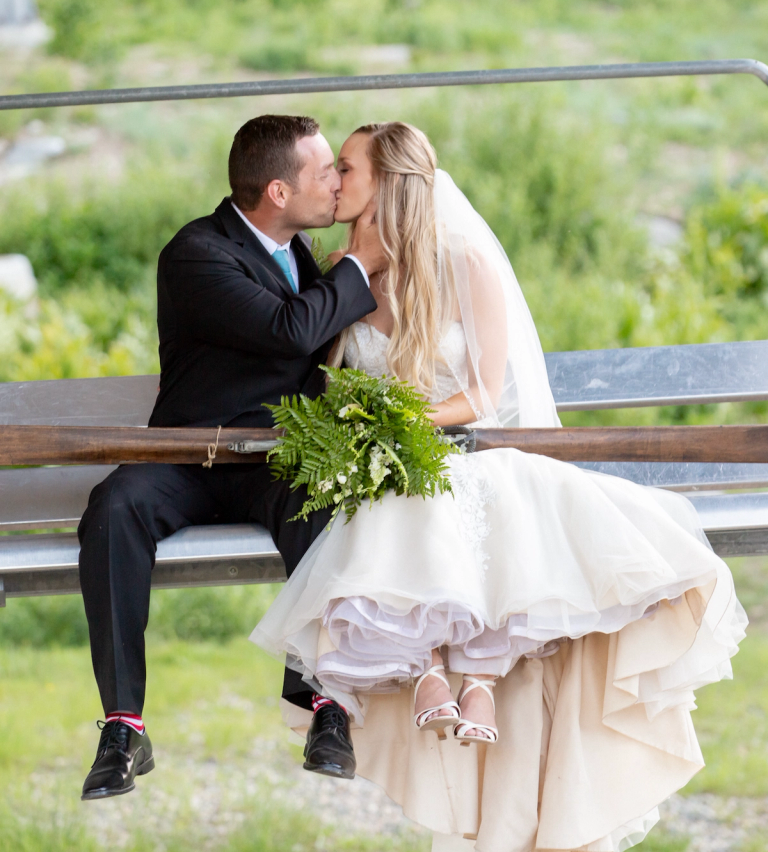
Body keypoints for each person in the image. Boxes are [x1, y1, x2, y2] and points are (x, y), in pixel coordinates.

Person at [251, 122, 748, 852]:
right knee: (407, 513)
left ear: (386, 181)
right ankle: (439, 678)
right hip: (396, 465)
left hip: (464, 448)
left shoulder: (466, 263)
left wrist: (404, 422)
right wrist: (361, 428)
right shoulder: (343, 269)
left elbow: (482, 393)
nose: (333, 181)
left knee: (469, 512)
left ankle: (479, 693)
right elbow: (325, 379)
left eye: (346, 168)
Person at [77, 114, 384, 800]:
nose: (336, 181)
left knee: (321, 501)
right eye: (324, 170)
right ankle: (123, 725)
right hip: (190, 456)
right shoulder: (196, 253)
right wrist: (363, 267)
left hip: (274, 463)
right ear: (278, 191)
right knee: (113, 506)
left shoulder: (302, 251)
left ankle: (325, 706)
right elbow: (289, 330)